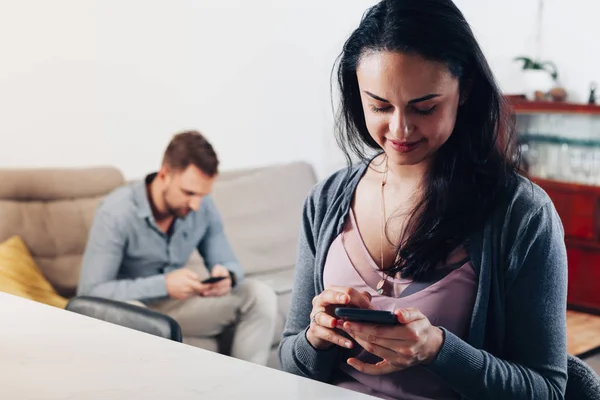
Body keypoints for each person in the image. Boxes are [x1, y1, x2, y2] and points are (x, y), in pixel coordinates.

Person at [278, 0, 567, 399]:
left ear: (464, 91)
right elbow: (290, 362)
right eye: (379, 106)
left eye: (425, 107)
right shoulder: (326, 201)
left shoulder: (522, 215)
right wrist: (316, 338)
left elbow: (548, 390)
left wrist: (438, 351)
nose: (400, 129)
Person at [78, 130, 278, 366]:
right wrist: (163, 284)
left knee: (258, 294)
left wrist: (227, 276)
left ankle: (248, 388)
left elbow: (229, 262)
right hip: (133, 308)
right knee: (141, 321)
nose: (195, 204)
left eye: (203, 194)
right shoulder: (116, 213)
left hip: (181, 306)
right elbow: (90, 292)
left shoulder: (202, 206)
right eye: (189, 193)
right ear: (165, 175)